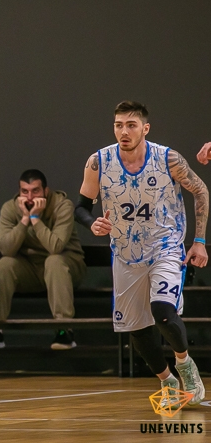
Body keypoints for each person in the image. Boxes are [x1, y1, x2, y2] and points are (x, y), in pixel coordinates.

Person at [75, 100, 208, 407]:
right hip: (125, 252)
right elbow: (81, 207)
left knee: (163, 312)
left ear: (145, 129)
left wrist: (199, 240)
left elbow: (200, 190)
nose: (124, 131)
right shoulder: (98, 162)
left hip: (165, 246)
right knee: (136, 329)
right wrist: (91, 222)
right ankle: (167, 381)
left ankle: (185, 365)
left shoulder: (167, 158)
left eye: (131, 125)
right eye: (119, 125)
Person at [0, 169, 86, 351]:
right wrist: (24, 220)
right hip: (30, 269)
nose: (30, 197)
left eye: (35, 191)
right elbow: (6, 249)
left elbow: (55, 247)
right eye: (25, 191)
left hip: (66, 267)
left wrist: (35, 219)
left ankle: (64, 329)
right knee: (5, 264)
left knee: (53, 261)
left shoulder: (62, 206)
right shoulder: (10, 208)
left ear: (46, 191)